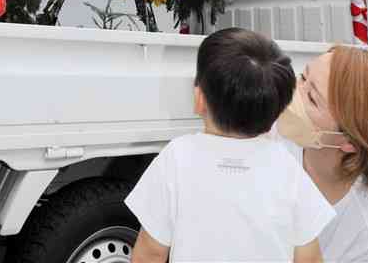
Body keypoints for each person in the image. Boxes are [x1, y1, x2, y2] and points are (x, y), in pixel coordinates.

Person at [125, 28, 335, 262]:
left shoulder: (176, 157)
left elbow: (150, 253)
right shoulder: (289, 168)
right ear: (274, 115)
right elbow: (310, 259)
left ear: (199, 99)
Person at [277, 45, 368, 262]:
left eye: (311, 98)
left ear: (349, 143)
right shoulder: (272, 135)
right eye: (302, 77)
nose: (291, 93)